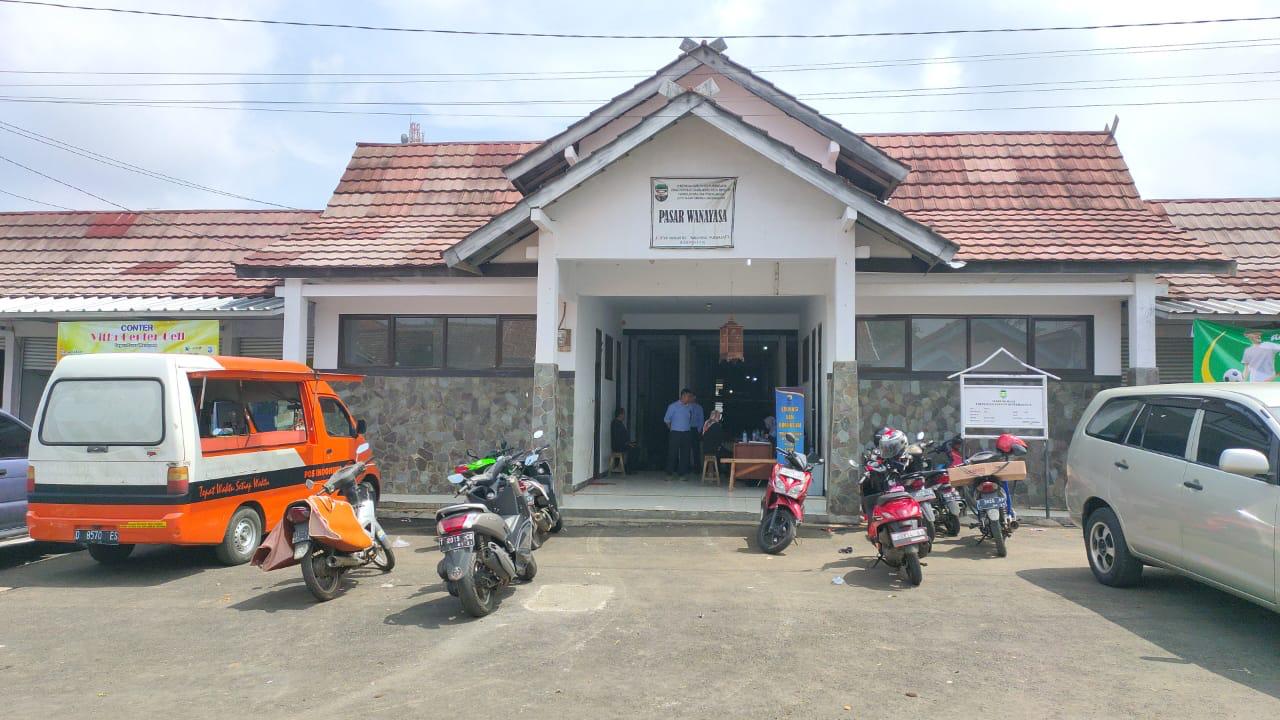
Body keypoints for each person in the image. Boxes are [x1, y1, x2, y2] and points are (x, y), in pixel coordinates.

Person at [664, 388, 698, 479]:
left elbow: (690, 418)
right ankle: (669, 473)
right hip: (675, 433)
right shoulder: (673, 406)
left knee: (685, 454)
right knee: (672, 453)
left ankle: (682, 474)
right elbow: (666, 420)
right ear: (683, 396)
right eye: (688, 396)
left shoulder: (690, 407)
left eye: (690, 397)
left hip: (686, 433)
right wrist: (672, 429)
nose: (690, 398)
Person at [611, 408, 637, 473]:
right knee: (633, 449)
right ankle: (628, 469)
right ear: (620, 414)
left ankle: (629, 467)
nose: (624, 416)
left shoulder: (620, 423)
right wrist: (627, 443)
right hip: (618, 445)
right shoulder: (615, 423)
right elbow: (618, 437)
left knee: (636, 446)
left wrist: (629, 442)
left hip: (623, 443)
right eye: (623, 414)